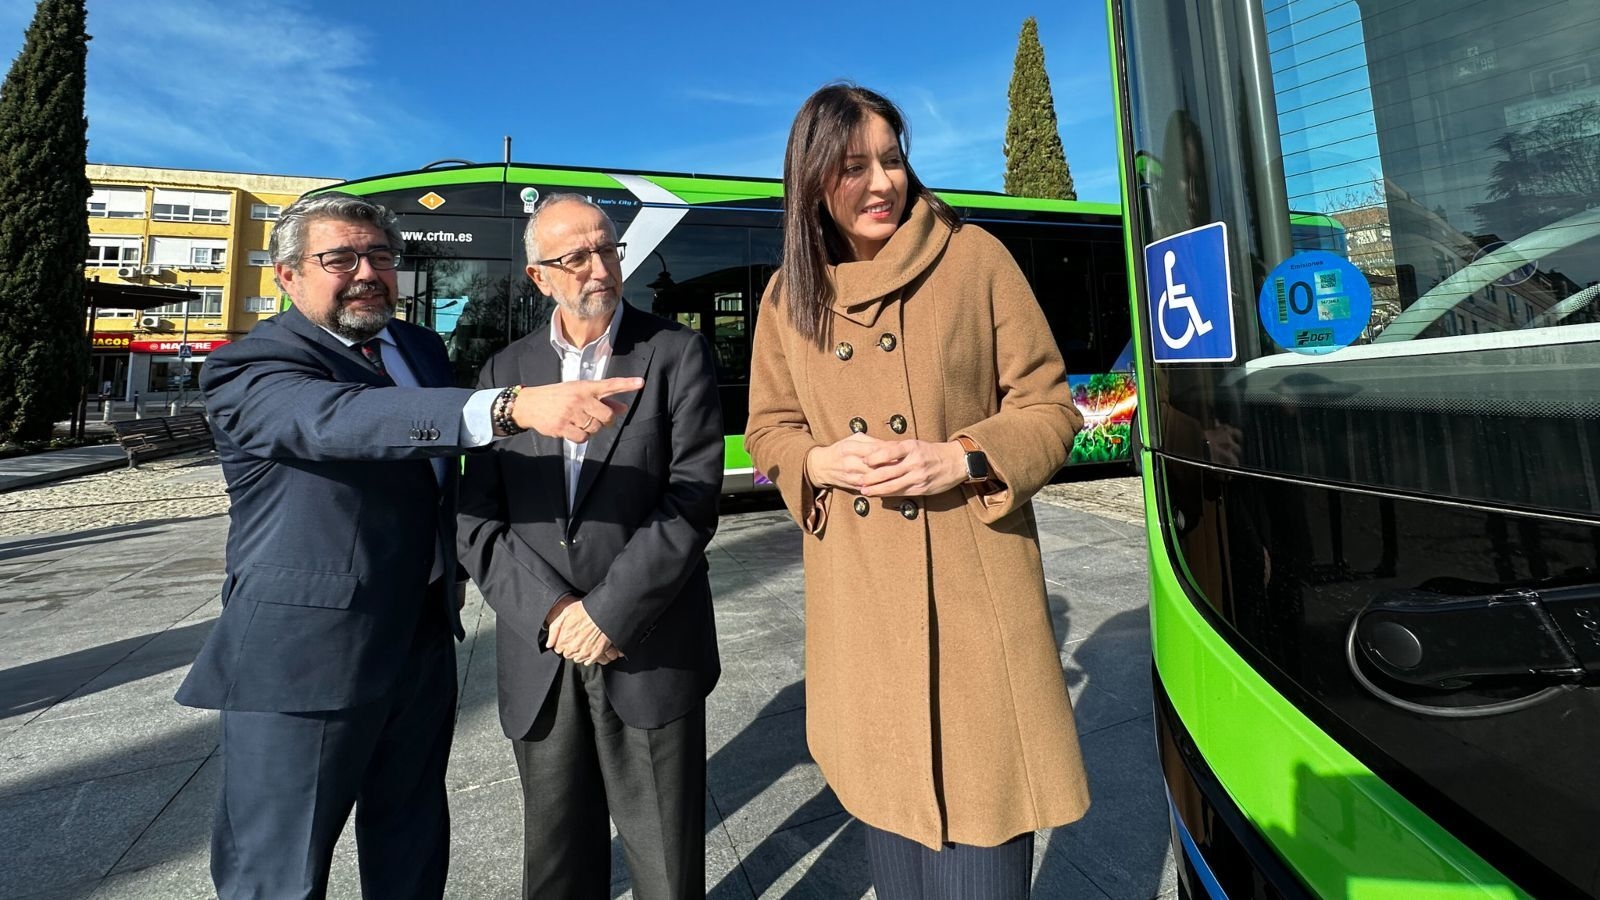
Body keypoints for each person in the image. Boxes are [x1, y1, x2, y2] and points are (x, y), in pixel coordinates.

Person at [175, 192, 642, 900]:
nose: (368, 273)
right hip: (303, 662)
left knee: (412, 846)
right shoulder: (251, 365)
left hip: (420, 643)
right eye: (341, 258)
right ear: (287, 274)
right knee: (279, 872)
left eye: (382, 257)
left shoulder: (418, 347)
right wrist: (511, 406)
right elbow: (340, 419)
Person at [744, 83, 1091, 898]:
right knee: (898, 862)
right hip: (863, 623)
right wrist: (818, 463)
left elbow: (1051, 406)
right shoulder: (787, 297)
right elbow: (769, 428)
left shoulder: (976, 260)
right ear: (811, 182)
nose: (880, 184)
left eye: (892, 160)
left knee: (984, 863)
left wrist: (965, 457)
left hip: (978, 612)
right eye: (853, 166)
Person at [457, 194, 723, 899]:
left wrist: (605, 614)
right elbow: (477, 520)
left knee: (667, 869)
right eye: (574, 257)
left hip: (649, 647)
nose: (598, 268)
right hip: (541, 659)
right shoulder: (502, 375)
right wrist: (551, 614)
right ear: (539, 276)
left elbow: (692, 501)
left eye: (607, 249)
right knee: (555, 867)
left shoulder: (674, 353)